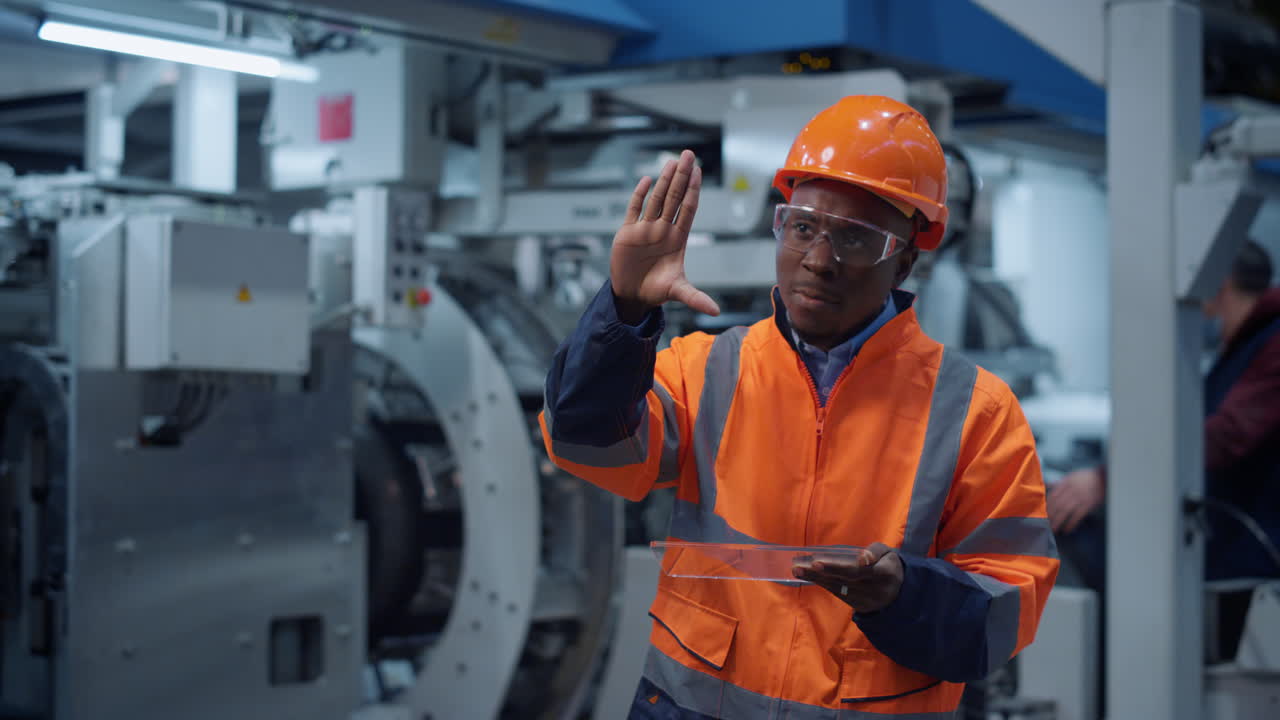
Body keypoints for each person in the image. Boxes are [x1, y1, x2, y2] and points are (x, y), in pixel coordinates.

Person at [540, 96, 1058, 719]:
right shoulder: (707, 369)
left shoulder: (978, 413)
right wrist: (623, 312)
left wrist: (903, 594)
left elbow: (1006, 609)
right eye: (803, 227)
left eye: (856, 238)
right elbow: (582, 446)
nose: (818, 260)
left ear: (905, 260)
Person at [1050, 240, 1280, 583]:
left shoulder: (1270, 342)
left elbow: (1226, 436)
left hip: (1248, 548)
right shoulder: (1245, 343)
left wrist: (1106, 479)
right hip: (1222, 538)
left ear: (1221, 281)